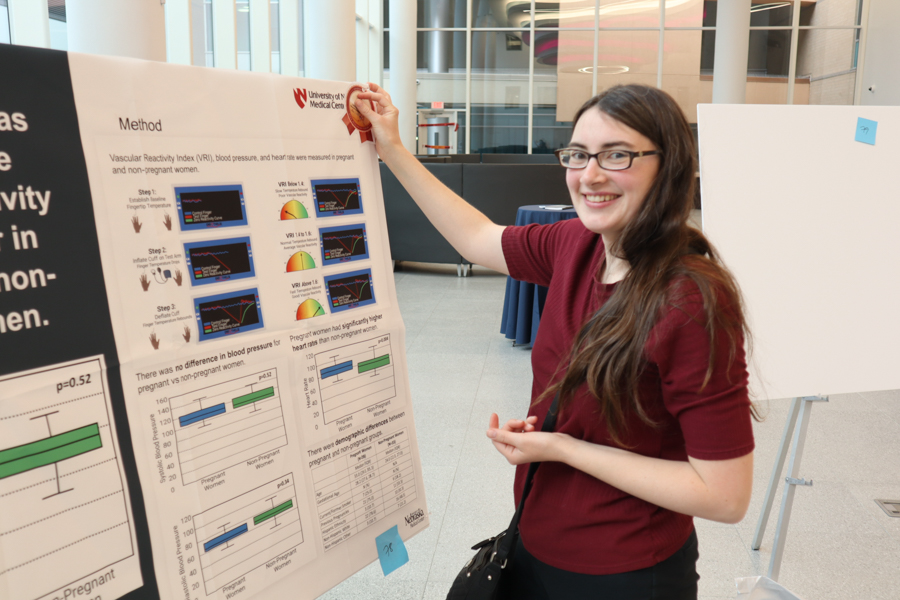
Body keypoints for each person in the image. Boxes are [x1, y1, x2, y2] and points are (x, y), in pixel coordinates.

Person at [355, 83, 755, 600]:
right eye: (578, 155)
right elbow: (477, 238)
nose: (589, 175)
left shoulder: (692, 300)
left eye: (617, 155)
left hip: (624, 572)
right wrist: (392, 148)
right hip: (536, 541)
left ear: (669, 165)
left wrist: (562, 448)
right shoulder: (578, 244)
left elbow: (724, 496)